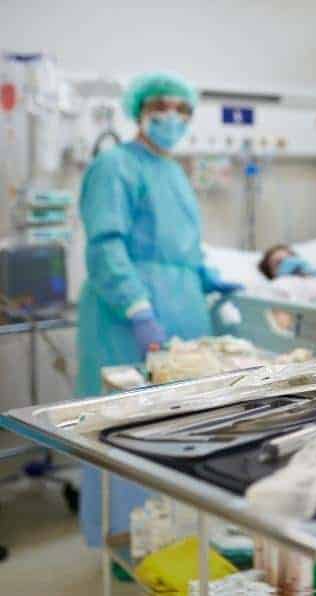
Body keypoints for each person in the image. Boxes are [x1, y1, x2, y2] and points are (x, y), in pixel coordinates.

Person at [76, 71, 241, 547]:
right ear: (140, 111)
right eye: (161, 107)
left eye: (181, 110)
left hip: (184, 310)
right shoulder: (114, 166)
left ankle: (167, 539)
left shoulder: (173, 171)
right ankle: (121, 537)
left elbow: (181, 248)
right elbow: (106, 246)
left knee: (172, 431)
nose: (171, 117)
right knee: (121, 432)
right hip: (125, 318)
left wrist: (206, 276)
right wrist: (138, 309)